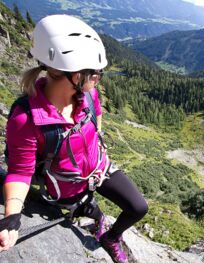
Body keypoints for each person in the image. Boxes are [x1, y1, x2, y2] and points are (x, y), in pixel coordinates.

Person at [0, 14, 148, 262]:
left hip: (99, 169)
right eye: (94, 73)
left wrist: (97, 139)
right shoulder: (26, 119)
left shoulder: (87, 96)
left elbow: (96, 114)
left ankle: (110, 237)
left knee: (138, 207)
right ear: (74, 75)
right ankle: (95, 217)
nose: (97, 78)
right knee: (91, 210)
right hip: (67, 187)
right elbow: (20, 172)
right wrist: (12, 217)